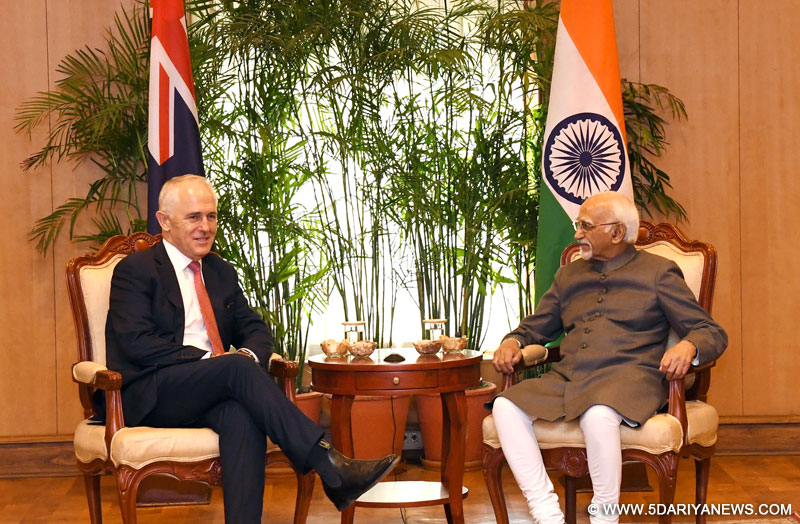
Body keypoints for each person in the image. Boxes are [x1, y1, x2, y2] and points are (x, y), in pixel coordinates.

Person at [103, 174, 398, 523]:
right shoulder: (135, 270)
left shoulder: (220, 271)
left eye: (211, 216)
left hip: (212, 388)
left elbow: (255, 329)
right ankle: (330, 466)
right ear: (164, 222)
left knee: (242, 414)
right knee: (236, 368)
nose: (206, 227)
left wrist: (242, 356)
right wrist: (214, 361)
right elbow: (136, 343)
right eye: (194, 217)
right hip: (154, 392)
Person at [491, 191, 727, 524]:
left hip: (629, 379)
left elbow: (710, 331)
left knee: (598, 413)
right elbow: (534, 328)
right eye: (578, 225)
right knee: (505, 405)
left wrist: (688, 346)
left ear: (616, 232)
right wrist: (513, 342)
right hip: (571, 378)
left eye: (586, 226)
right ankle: (546, 513)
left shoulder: (659, 273)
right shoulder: (568, 276)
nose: (577, 234)